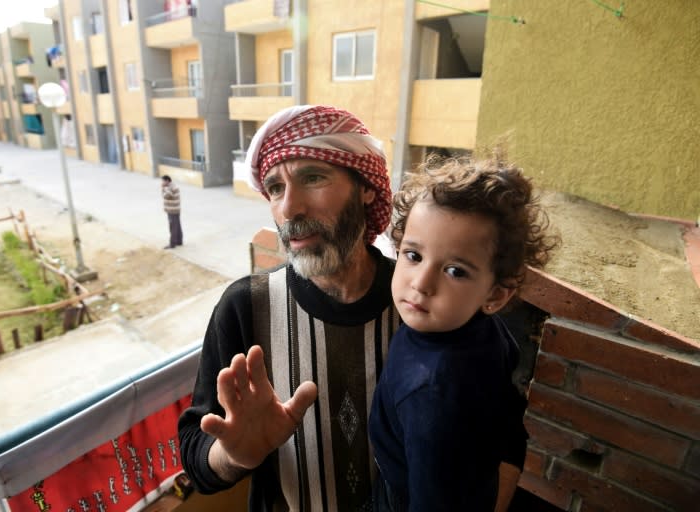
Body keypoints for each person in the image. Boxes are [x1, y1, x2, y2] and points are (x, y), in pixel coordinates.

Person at [177, 105, 526, 511]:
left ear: (366, 187)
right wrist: (236, 454)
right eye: (275, 188)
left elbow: (506, 437)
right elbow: (197, 457)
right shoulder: (245, 307)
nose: (289, 208)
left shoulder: (437, 304)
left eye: (312, 177)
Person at [368, 154, 557, 511]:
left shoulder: (432, 394)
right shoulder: (485, 328)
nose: (421, 284)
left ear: (496, 295)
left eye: (455, 271)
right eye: (413, 255)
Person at [161, 175, 183, 249]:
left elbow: (167, 196)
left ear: (167, 181)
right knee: (177, 226)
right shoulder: (173, 186)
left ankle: (172, 244)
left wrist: (163, 188)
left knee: (173, 227)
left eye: (163, 181)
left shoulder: (170, 187)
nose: (162, 182)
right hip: (175, 209)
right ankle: (179, 241)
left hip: (172, 210)